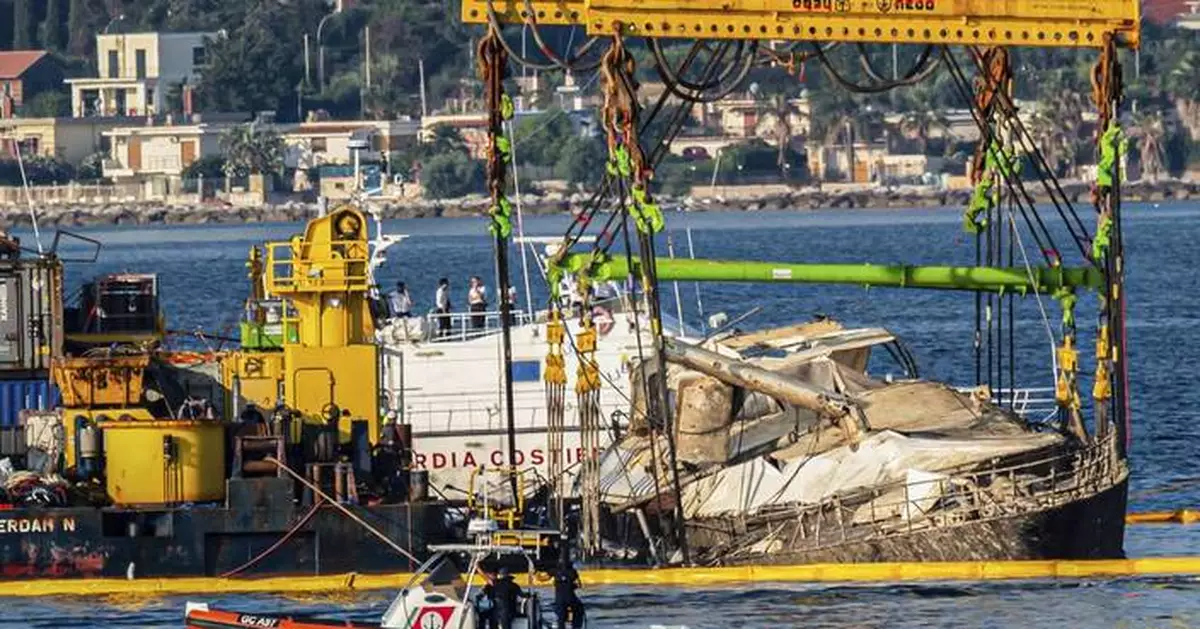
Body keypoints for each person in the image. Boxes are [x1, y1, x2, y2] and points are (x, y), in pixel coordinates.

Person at [553, 552, 585, 629]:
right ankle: (576, 626)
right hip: (570, 598)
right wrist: (572, 586)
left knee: (559, 613)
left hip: (559, 600)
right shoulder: (572, 571)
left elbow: (543, 578)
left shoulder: (555, 571)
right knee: (579, 608)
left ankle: (560, 624)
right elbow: (579, 585)